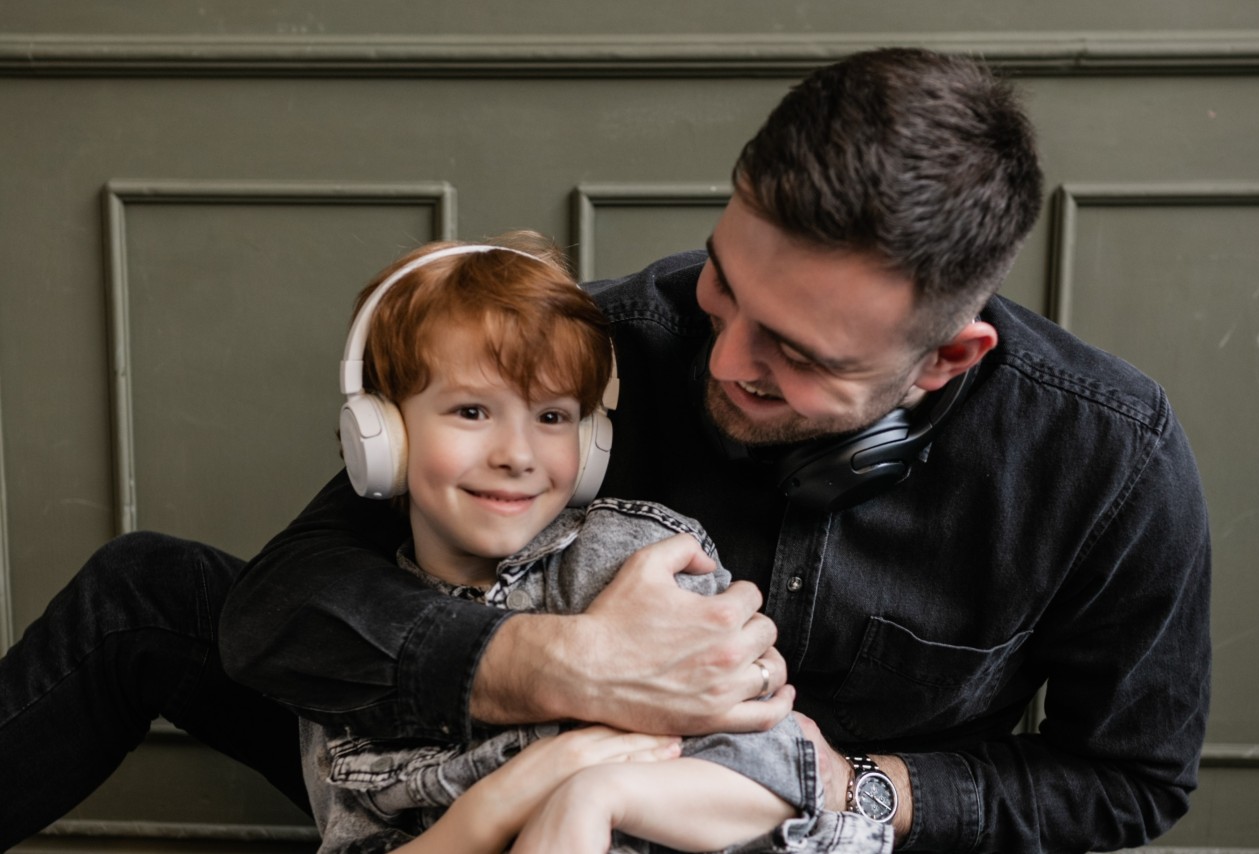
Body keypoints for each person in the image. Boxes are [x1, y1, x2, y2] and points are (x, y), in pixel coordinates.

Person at [0, 47, 1209, 853]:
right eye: (724, 284)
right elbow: (284, 606)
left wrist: (859, 783)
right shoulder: (611, 343)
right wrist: (565, 664)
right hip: (449, 771)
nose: (724, 357)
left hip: (764, 816)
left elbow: (1127, 779)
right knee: (146, 592)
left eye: (794, 355)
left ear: (943, 360)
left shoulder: (1101, 457)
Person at [299, 234, 889, 853]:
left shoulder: (635, 558)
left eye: (551, 417)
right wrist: (509, 797)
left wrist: (594, 796)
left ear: (590, 441)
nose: (516, 455)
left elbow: (778, 784)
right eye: (472, 411)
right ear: (381, 435)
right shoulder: (353, 643)